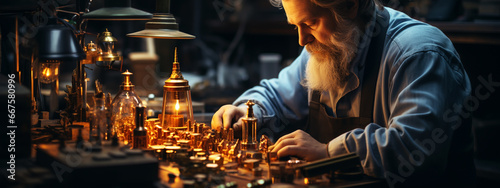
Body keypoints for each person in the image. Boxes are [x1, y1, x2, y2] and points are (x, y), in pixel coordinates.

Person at [211, 0, 475, 186]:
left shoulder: (418, 53)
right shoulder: (324, 46)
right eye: (296, 25)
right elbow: (277, 95)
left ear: (350, 5)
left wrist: (328, 152)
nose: (302, 40)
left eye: (311, 22)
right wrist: (248, 111)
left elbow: (414, 147)